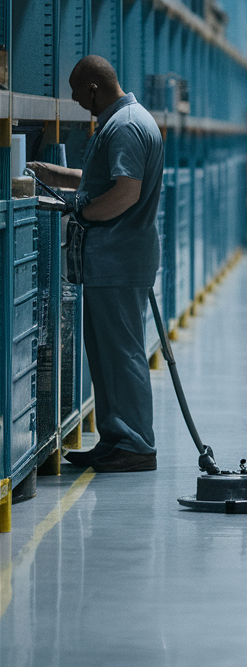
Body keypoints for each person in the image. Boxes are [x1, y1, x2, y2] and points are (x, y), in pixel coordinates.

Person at [27, 56, 164, 473]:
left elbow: (124, 193)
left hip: (118, 259)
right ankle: (117, 438)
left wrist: (79, 212)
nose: (74, 100)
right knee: (109, 353)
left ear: (92, 88)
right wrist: (54, 173)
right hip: (118, 259)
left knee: (121, 355)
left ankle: (135, 444)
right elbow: (103, 177)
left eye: (75, 92)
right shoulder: (130, 120)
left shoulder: (123, 127)